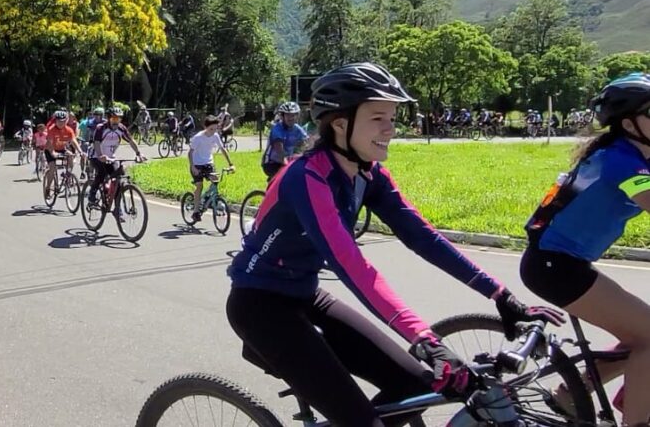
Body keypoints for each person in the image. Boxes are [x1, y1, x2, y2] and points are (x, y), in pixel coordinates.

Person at [228, 62, 563, 427]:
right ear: (340, 124)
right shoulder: (306, 177)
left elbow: (424, 238)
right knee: (361, 420)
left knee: (413, 387)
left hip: (306, 295)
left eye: (392, 117)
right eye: (378, 118)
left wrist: (501, 295)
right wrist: (424, 340)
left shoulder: (368, 174)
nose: (391, 128)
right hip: (259, 306)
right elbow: (353, 266)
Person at [521, 73, 650, 423]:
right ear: (630, 123)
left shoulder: (635, 153)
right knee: (649, 339)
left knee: (641, 334)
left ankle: (571, 391)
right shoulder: (621, 161)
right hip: (555, 267)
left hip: (564, 262)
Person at [88, 108, 144, 208]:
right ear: (109, 118)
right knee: (102, 173)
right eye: (114, 119)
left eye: (119, 119)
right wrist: (100, 155)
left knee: (118, 178)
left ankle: (117, 209)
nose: (116, 121)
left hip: (110, 158)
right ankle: (92, 193)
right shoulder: (101, 128)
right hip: (96, 156)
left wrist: (138, 153)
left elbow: (131, 141)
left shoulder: (121, 129)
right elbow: (96, 143)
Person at [187, 115, 234, 223]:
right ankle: (195, 212)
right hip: (197, 164)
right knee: (199, 186)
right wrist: (192, 166)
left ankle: (208, 200)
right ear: (205, 127)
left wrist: (231, 164)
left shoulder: (215, 136)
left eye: (215, 128)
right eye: (211, 129)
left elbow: (223, 149)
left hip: (208, 163)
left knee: (215, 181)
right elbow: (190, 152)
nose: (213, 131)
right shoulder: (198, 138)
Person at [261, 102, 308, 182]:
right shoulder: (277, 129)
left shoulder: (298, 129)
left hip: (287, 161)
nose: (291, 118)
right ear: (282, 116)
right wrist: (288, 166)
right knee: (287, 181)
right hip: (272, 163)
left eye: (293, 115)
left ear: (297, 116)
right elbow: (280, 153)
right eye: (288, 115)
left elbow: (307, 143)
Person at [44, 110, 81, 196]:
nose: (61, 123)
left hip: (61, 148)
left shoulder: (68, 130)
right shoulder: (51, 129)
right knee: (52, 168)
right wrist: (53, 152)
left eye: (63, 121)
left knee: (71, 155)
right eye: (59, 121)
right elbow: (49, 142)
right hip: (50, 149)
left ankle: (68, 175)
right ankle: (48, 187)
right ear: (55, 121)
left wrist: (80, 151)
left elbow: (73, 141)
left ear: (66, 120)